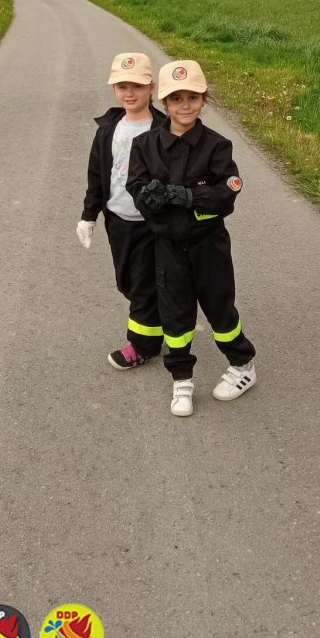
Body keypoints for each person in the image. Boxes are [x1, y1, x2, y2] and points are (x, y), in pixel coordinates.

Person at [127, 59, 256, 417]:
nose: (185, 105)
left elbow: (227, 193)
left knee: (220, 309)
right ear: (164, 103)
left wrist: (189, 197)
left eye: (193, 97)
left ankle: (243, 365)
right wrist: (148, 198)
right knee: (176, 315)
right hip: (168, 247)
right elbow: (135, 186)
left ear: (203, 99)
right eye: (176, 98)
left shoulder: (217, 146)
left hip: (208, 245)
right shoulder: (144, 145)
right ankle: (181, 378)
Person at [76, 52, 166, 369]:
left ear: (151, 88)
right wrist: (89, 215)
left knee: (143, 285)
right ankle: (161, 318)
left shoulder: (165, 129)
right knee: (126, 281)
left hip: (151, 224)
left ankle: (143, 345)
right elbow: (97, 175)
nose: (129, 93)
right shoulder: (108, 129)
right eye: (122, 86)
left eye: (137, 86)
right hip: (118, 220)